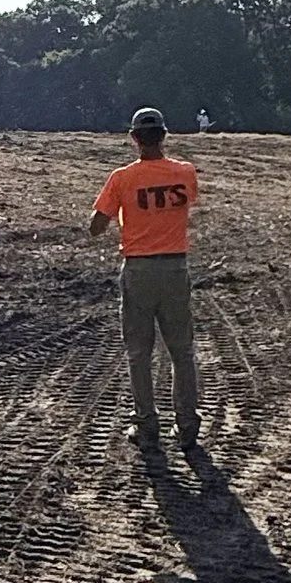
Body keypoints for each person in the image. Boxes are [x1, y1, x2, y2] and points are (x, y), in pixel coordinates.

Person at [90, 106, 202, 453]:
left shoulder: (122, 178)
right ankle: (186, 425)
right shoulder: (184, 173)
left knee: (139, 352)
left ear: (134, 138)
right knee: (181, 350)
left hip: (138, 269)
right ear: (164, 136)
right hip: (175, 267)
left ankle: (146, 423)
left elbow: (96, 226)